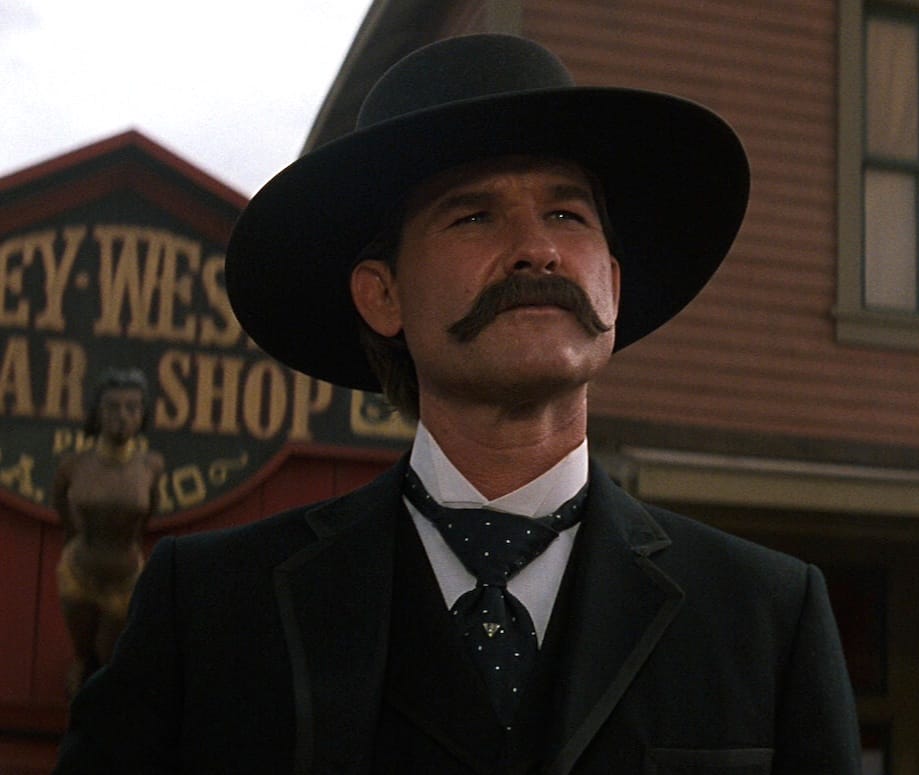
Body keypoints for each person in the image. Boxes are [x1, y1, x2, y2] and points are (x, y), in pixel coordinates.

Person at [56, 34, 860, 773]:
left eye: (566, 214)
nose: (537, 248)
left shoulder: (765, 616)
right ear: (383, 295)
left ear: (612, 286)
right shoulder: (210, 610)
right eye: (474, 215)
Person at [51, 367, 164, 697]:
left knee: (109, 659)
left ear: (143, 414)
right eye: (112, 407)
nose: (122, 416)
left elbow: (149, 514)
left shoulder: (151, 466)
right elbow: (60, 500)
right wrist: (74, 532)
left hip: (124, 578)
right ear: (97, 413)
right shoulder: (74, 464)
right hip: (78, 572)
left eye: (132, 407)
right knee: (83, 654)